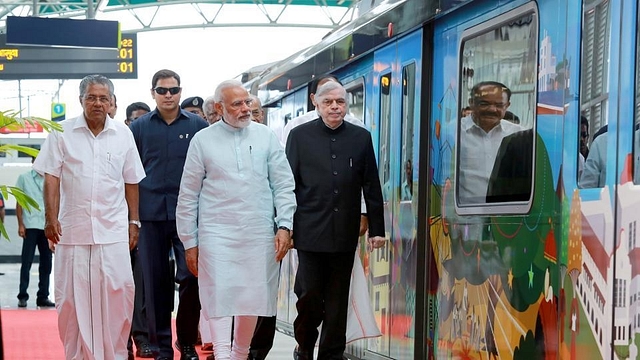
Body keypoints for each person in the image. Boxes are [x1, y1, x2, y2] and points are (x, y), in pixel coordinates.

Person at [176, 79, 296, 360]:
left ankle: (239, 354)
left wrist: (285, 225)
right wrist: (189, 242)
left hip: (257, 232)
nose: (245, 109)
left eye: (247, 103)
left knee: (251, 296)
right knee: (219, 293)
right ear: (219, 107)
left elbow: (283, 184)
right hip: (216, 233)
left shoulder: (266, 136)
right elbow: (188, 195)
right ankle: (220, 352)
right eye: (237, 104)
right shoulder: (202, 140)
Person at [33, 74, 146, 359]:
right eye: (91, 97)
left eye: (103, 98)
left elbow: (131, 180)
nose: (97, 103)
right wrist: (50, 218)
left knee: (118, 293)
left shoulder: (123, 134)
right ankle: (77, 355)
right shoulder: (61, 132)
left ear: (111, 102)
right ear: (81, 100)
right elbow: (52, 179)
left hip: (113, 230)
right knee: (71, 300)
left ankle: (114, 354)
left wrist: (134, 222)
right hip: (72, 230)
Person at [286, 81, 386, 360]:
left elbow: (371, 184)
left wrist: (376, 228)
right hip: (308, 232)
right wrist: (285, 226)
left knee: (338, 301)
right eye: (328, 102)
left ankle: (331, 354)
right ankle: (304, 345)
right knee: (309, 296)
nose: (334, 107)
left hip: (344, 233)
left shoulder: (361, 137)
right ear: (315, 102)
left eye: (340, 102)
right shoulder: (298, 135)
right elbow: (288, 185)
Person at [129, 69, 208, 360]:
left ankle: (186, 342)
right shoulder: (139, 128)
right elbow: (129, 174)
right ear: (153, 93)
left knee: (191, 277)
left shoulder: (199, 126)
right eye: (162, 91)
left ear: (180, 91)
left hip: (187, 214)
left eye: (173, 90)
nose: (168, 96)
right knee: (154, 281)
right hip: (149, 215)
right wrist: (132, 218)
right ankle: (162, 346)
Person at [458, 81, 522, 204]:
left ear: (507, 106)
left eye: (499, 105)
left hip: (505, 216)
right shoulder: (455, 132)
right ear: (471, 103)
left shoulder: (518, 135)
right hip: (465, 217)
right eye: (484, 104)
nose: (492, 109)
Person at [15, 157, 54, 308]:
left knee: (46, 263)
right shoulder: (24, 178)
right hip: (30, 225)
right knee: (27, 262)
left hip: (46, 227)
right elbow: (19, 202)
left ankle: (43, 296)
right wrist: (20, 224)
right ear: (33, 162)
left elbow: (55, 201)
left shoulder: (50, 179)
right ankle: (22, 295)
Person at [281, 75, 364, 145]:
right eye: (327, 99)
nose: (334, 106)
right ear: (314, 99)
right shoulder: (295, 126)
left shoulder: (357, 126)